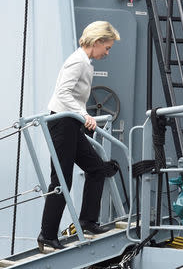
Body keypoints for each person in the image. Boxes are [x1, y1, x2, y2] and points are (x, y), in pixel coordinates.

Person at [38, 21, 121, 251]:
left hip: (71, 124)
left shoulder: (85, 61)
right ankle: (47, 235)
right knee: (62, 180)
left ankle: (87, 221)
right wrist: (84, 114)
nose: (108, 52)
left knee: (96, 169)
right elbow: (62, 93)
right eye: (107, 47)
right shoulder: (78, 61)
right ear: (96, 42)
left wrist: (81, 117)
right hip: (63, 124)